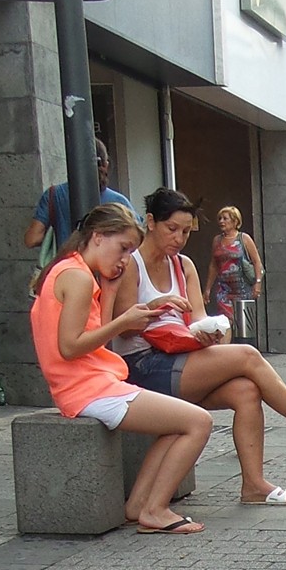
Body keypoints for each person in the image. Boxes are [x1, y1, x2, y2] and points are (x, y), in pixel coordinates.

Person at [110, 188, 286, 508]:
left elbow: (197, 318)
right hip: (142, 364)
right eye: (172, 229)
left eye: (186, 231)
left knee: (245, 390)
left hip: (179, 358)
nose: (179, 238)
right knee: (249, 356)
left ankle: (253, 484)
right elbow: (123, 324)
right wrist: (158, 304)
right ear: (151, 222)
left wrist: (210, 332)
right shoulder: (131, 264)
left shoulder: (183, 266)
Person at [29, 204, 211, 534]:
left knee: (179, 423)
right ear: (98, 237)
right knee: (198, 421)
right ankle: (155, 509)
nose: (126, 259)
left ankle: (140, 505)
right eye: (123, 248)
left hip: (87, 384)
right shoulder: (77, 277)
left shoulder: (69, 271)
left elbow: (91, 335)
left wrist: (117, 296)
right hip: (87, 388)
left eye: (130, 251)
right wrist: (125, 321)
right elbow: (70, 346)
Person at [24, 140, 134, 253]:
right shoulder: (120, 203)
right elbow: (136, 240)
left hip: (66, 265)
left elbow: (32, 239)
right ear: (106, 165)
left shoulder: (54, 194)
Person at [204, 206, 263, 325]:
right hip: (224, 289)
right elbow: (214, 265)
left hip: (242, 288)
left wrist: (258, 283)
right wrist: (208, 289)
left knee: (243, 324)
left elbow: (257, 262)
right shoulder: (217, 240)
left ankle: (242, 343)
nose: (221, 221)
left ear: (235, 221)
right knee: (225, 322)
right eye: (220, 218)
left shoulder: (244, 238)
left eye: (225, 218)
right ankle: (227, 343)